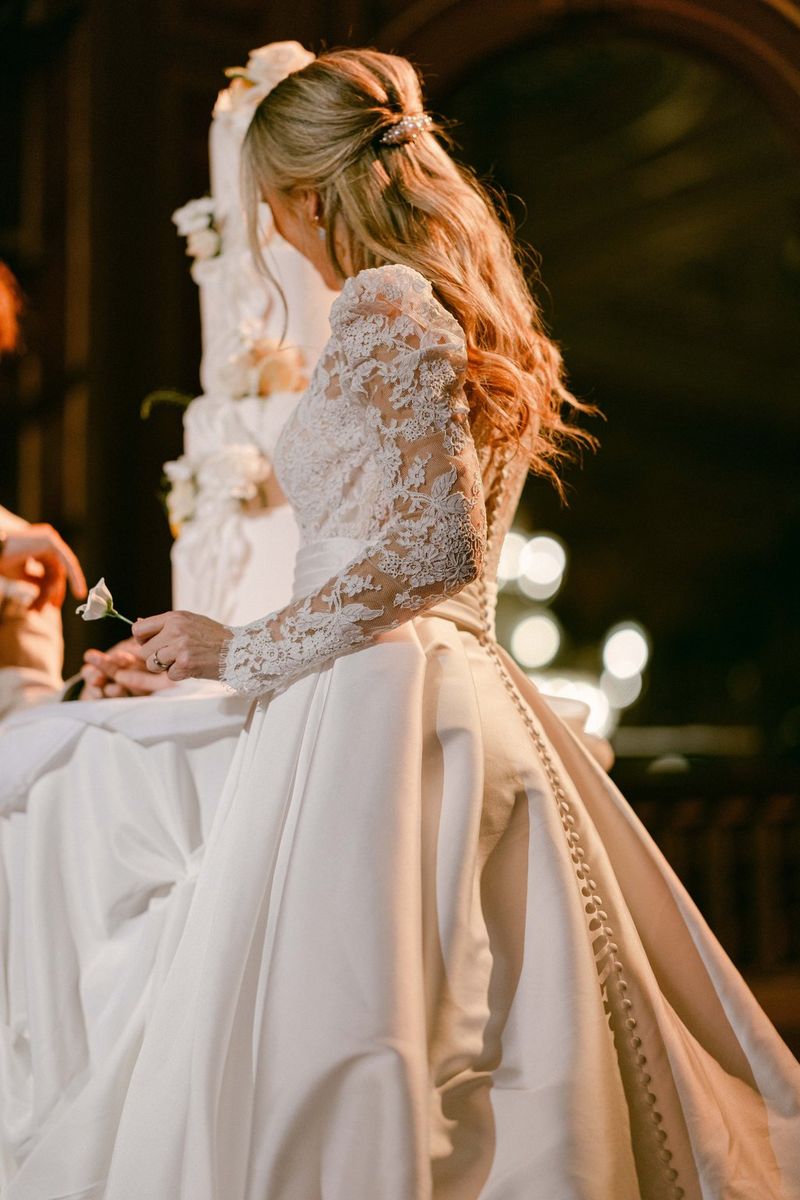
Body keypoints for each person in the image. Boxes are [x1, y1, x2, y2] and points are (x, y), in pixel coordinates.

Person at [8, 45, 800, 1200]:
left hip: (380, 704)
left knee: (364, 1029)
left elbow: (437, 548)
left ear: (310, 196)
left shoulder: (384, 302)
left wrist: (246, 651)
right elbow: (397, 544)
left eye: (273, 209)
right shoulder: (450, 304)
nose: (275, 237)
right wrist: (211, 653)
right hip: (412, 678)